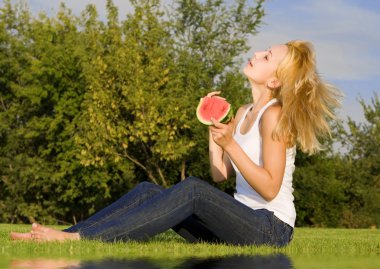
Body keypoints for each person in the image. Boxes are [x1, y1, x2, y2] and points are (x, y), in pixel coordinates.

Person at [10, 40, 341, 246]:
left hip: (270, 229)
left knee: (192, 189)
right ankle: (66, 236)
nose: (257, 52)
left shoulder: (274, 113)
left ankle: (83, 240)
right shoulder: (242, 112)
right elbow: (220, 175)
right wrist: (216, 134)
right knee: (147, 190)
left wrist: (231, 145)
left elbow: (269, 188)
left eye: (267, 55)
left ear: (273, 80)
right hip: (239, 221)